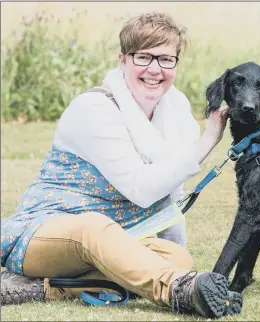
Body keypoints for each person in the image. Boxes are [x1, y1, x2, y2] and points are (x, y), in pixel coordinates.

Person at [0, 12, 243, 318]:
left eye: (167, 59)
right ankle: (176, 291)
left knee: (175, 258)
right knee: (95, 228)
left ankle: (43, 288)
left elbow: (170, 193)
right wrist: (208, 140)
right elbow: (141, 189)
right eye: (144, 57)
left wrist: (178, 258)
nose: (155, 69)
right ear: (123, 60)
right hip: (44, 234)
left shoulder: (175, 109)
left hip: (120, 237)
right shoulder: (94, 108)